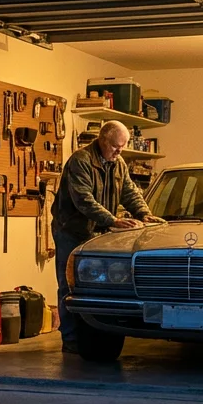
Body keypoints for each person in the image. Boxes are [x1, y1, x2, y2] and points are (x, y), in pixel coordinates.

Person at [51, 120, 164, 353]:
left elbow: (130, 191)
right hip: (71, 232)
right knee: (69, 286)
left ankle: (97, 335)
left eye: (122, 147)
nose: (119, 151)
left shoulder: (118, 162)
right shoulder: (80, 161)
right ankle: (71, 340)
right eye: (115, 146)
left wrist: (144, 213)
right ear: (103, 140)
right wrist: (113, 220)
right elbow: (83, 200)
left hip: (97, 232)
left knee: (99, 287)